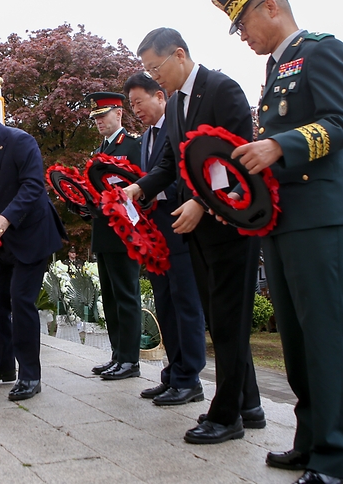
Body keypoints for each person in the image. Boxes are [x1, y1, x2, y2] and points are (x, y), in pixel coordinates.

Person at [212, 0, 343, 484]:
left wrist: (280, 144)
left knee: (324, 339)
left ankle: (336, 462)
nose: (243, 36)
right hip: (282, 222)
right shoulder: (276, 74)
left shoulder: (322, 50)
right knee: (296, 344)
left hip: (321, 216)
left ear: (270, 7)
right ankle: (308, 442)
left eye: (244, 23)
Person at [123, 28, 264, 445]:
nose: (154, 76)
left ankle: (226, 416)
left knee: (228, 320)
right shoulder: (180, 106)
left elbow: (238, 158)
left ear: (179, 55)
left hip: (230, 224)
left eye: (155, 68)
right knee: (223, 321)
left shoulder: (221, 90)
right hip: (199, 229)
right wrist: (138, 189)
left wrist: (203, 202)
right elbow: (170, 164)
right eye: (147, 69)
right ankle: (250, 404)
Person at [0, 90, 67, 401]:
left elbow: (34, 185)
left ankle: (31, 375)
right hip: (1, 238)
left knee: (21, 300)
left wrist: (6, 218)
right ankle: (2, 365)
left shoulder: (20, 141)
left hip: (31, 234)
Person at [123, 73, 209, 407]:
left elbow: (182, 175)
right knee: (166, 305)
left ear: (160, 97)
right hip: (155, 234)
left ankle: (191, 379)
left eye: (139, 102)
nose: (136, 110)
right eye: (131, 105)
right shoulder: (146, 138)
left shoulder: (178, 128)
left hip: (180, 227)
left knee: (186, 305)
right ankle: (172, 373)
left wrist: (151, 191)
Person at [82, 92, 144, 381]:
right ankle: (118, 354)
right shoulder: (99, 151)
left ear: (118, 114)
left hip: (126, 232)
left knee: (126, 296)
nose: (98, 122)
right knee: (109, 297)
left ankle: (130, 360)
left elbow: (141, 187)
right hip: (104, 231)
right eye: (95, 118)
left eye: (103, 116)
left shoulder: (133, 145)